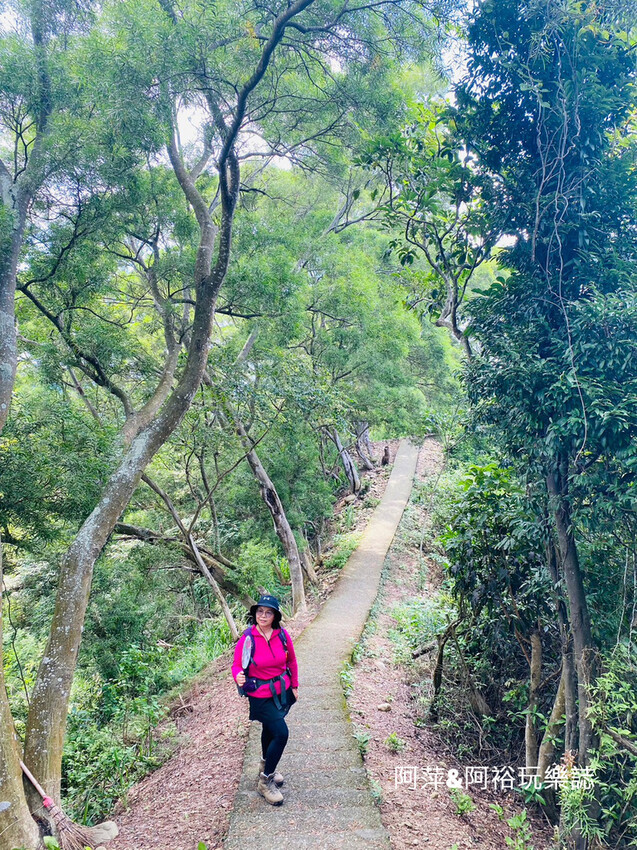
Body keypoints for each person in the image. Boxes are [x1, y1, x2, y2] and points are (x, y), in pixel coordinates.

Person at [232, 594, 298, 806]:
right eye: (260, 611)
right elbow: (237, 665)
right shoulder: (248, 638)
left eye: (268, 612)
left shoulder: (282, 635)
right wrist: (238, 676)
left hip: (281, 693)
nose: (263, 615)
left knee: (269, 729)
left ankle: (265, 764)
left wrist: (295, 685)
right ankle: (265, 780)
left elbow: (291, 660)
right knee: (281, 733)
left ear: (275, 616)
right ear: (255, 614)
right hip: (259, 695)